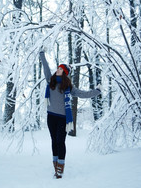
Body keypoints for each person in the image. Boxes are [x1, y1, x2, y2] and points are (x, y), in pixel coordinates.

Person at [39, 50, 101, 179]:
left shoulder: (68, 87)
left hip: (62, 119)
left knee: (60, 142)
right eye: (58, 68)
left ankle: (60, 168)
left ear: (65, 73)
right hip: (51, 116)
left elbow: (83, 94)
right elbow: (45, 67)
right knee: (54, 141)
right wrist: (42, 54)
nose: (58, 70)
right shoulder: (50, 81)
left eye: (60, 69)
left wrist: (97, 91)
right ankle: (55, 165)